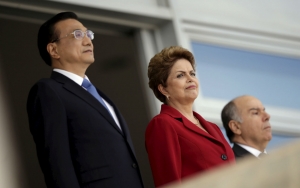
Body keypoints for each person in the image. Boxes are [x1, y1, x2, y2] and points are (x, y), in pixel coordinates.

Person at [27, 12, 144, 188]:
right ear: (53, 50)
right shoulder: (48, 91)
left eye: (88, 34)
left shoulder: (101, 96)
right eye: (77, 34)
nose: (88, 41)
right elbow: (57, 165)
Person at [145, 46, 235, 187]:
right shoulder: (163, 124)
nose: (190, 79)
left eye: (192, 74)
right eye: (180, 75)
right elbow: (169, 182)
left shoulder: (213, 128)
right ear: (163, 88)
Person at [221, 95, 272, 160]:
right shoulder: (230, 165)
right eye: (256, 113)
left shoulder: (278, 160)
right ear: (236, 127)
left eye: (264, 111)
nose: (267, 116)